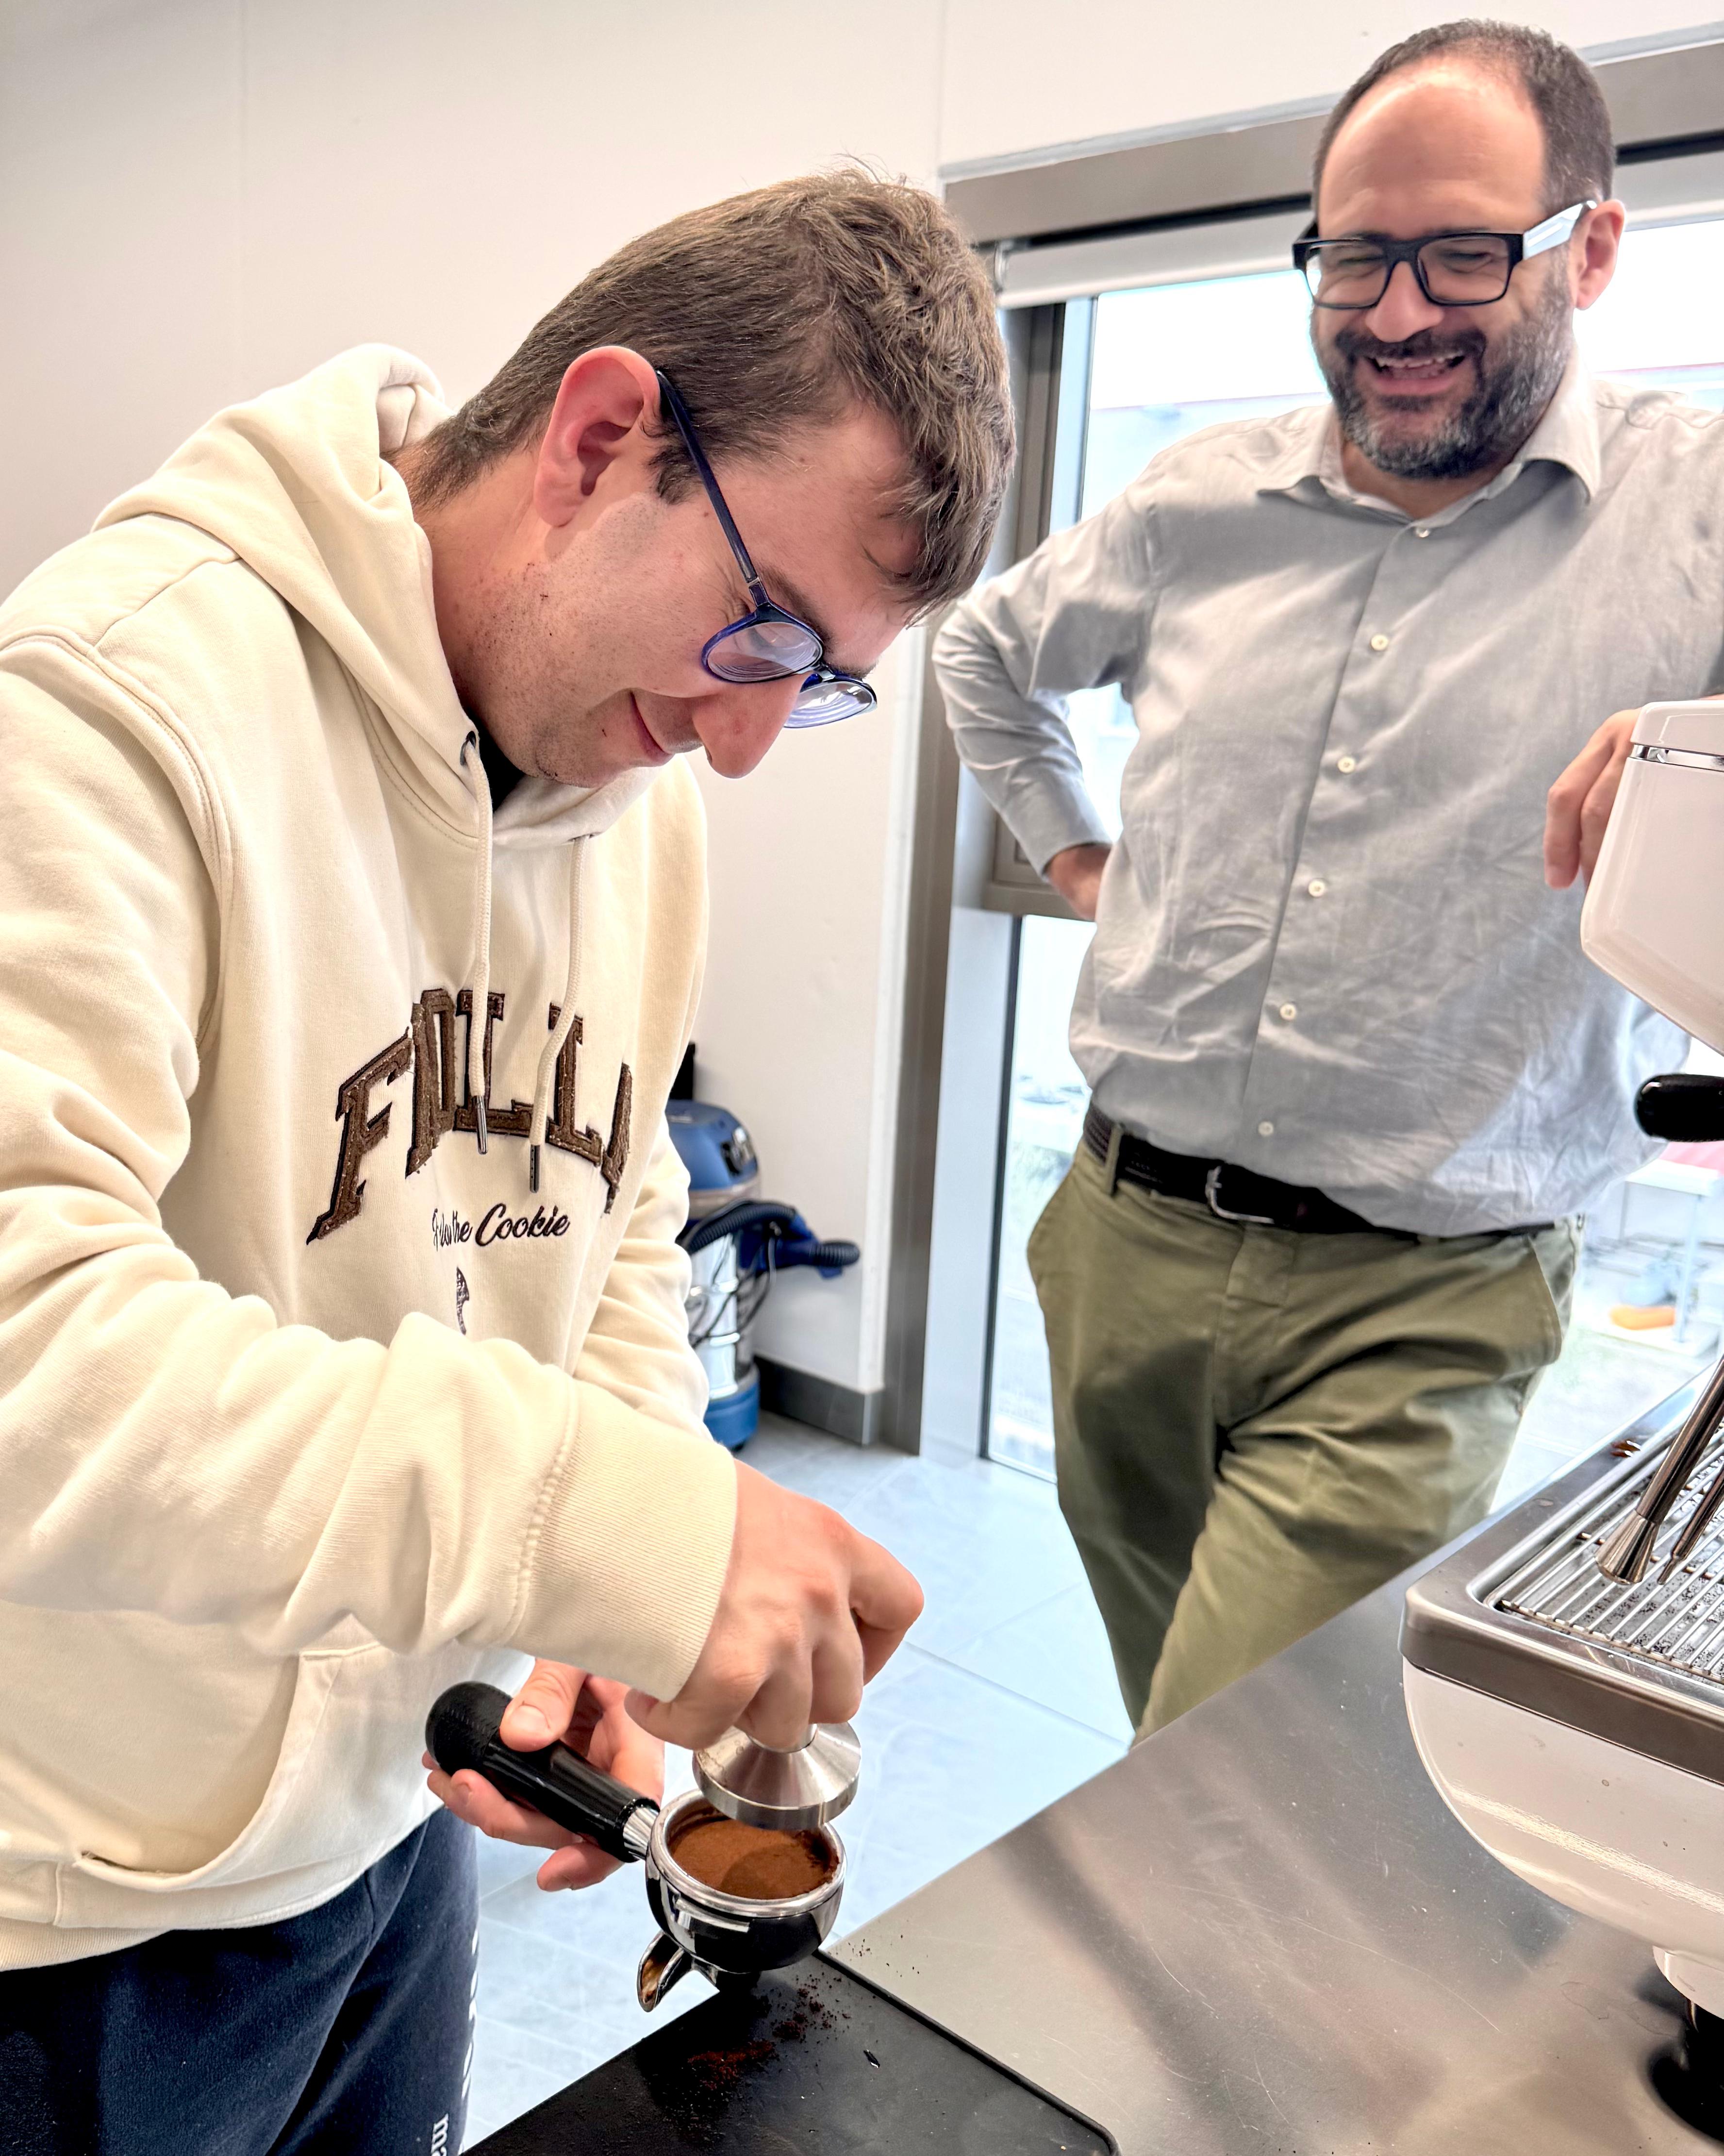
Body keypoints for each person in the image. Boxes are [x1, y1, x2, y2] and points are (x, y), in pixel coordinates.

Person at [0, 171, 1012, 2152]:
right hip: (91, 1895)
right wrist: (586, 1520)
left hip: (398, 1816)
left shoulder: (636, 793)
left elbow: (613, 1201)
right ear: (601, 435)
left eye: (819, 680)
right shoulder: (106, 707)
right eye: (761, 628)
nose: (744, 742)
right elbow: (26, 1356)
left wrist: (601, 1579)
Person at [937, 19, 1724, 1743]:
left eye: (1464, 255)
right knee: (1169, 1735)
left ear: (1592, 247)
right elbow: (982, 654)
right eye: (1357, 256)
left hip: (1421, 1301)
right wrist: (1078, 854)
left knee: (1232, 1760)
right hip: (1121, 1245)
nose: (1397, 312)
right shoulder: (1194, 500)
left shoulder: (1696, 516)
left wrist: (1714, 753)